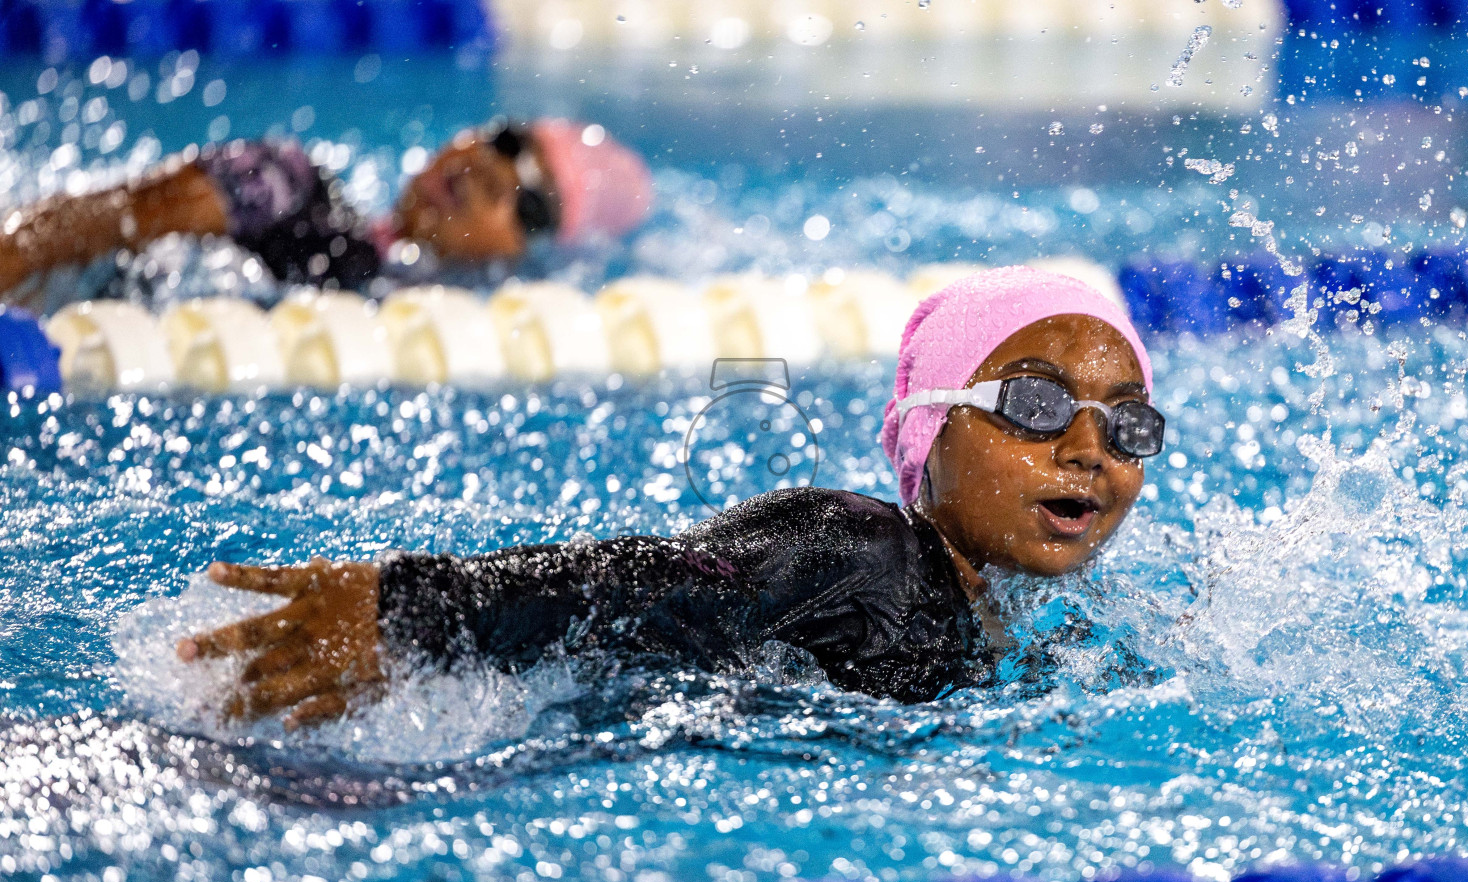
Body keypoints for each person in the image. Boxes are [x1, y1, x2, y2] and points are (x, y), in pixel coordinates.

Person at [175, 266, 1163, 728]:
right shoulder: (864, 546)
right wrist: (409, 608)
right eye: (1033, 402)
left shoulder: (1016, 615)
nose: (1088, 447)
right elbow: (661, 577)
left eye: (1129, 424)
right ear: (930, 432)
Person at [0, 117, 652, 302]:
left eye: (532, 206)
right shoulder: (291, 190)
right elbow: (62, 232)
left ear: (535, 260)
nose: (495, 172)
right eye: (508, 141)